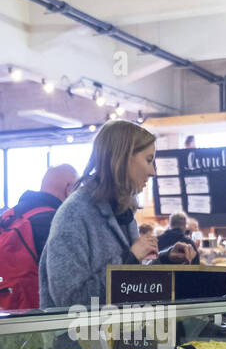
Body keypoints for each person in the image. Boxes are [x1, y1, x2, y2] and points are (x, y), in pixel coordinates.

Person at [39, 120, 198, 308]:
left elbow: (130, 283)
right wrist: (130, 258)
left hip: (119, 335)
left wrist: (165, 258)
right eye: (148, 160)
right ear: (123, 158)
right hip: (84, 337)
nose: (153, 172)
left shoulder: (122, 212)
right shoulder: (74, 214)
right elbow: (70, 301)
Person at [0, 164, 76, 310]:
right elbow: (66, 286)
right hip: (36, 323)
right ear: (69, 189)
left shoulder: (6, 218)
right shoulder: (54, 222)